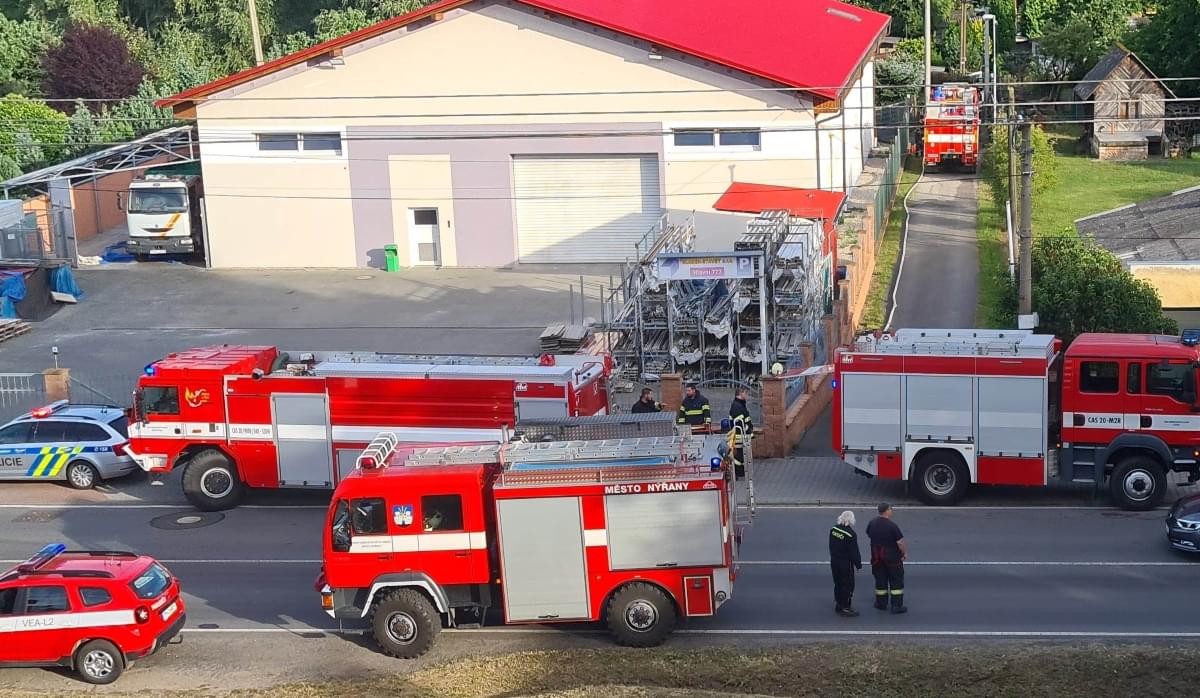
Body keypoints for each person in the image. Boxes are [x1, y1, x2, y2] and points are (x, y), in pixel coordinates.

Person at [866, 502, 908, 614]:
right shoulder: (892, 526)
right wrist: (904, 553)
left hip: (877, 559)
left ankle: (881, 604)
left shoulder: (872, 523)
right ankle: (896, 606)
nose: (891, 511)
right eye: (890, 509)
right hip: (892, 559)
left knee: (880, 581)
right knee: (896, 582)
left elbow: (869, 534)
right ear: (887, 511)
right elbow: (900, 543)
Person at [829, 510, 862, 617]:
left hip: (834, 561)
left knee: (838, 583)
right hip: (845, 564)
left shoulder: (834, 529)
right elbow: (854, 552)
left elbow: (831, 545)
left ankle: (839, 604)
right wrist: (858, 564)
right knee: (847, 585)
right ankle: (845, 607)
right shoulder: (850, 534)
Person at [728, 388, 753, 474]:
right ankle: (739, 471)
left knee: (741, 455)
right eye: (745, 393)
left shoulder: (740, 404)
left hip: (741, 435)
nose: (747, 395)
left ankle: (741, 471)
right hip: (739, 436)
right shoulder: (737, 406)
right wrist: (748, 430)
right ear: (740, 394)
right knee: (739, 455)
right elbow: (739, 423)